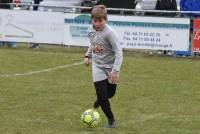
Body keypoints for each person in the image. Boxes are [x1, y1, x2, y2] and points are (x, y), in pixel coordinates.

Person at [83, 5, 123, 128]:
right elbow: (93, 44)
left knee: (110, 94)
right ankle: (111, 120)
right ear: (92, 20)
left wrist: (115, 71)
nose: (98, 24)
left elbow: (119, 52)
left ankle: (100, 100)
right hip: (98, 66)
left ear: (105, 19)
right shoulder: (90, 30)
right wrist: (87, 56)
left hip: (111, 68)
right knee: (102, 94)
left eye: (100, 21)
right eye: (95, 21)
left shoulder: (110, 33)